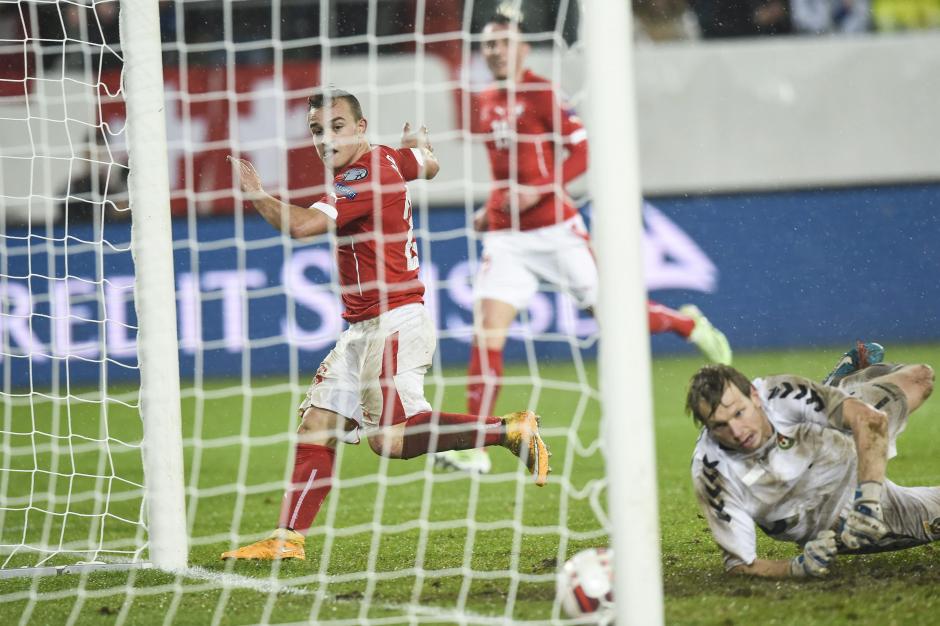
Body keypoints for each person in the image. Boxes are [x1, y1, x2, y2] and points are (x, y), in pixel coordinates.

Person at [220, 89, 551, 561]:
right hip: (361, 329)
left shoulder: (364, 175)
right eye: (317, 130)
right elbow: (427, 163)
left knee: (390, 440)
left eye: (336, 127)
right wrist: (421, 147)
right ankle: (288, 539)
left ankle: (508, 430)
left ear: (360, 126)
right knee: (318, 422)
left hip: (394, 323)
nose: (325, 140)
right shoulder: (391, 158)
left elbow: (301, 227)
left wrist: (256, 193)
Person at [433, 12, 733, 475]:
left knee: (613, 315)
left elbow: (583, 150)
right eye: (488, 45)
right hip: (508, 238)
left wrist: (542, 190)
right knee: (486, 335)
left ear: (523, 48)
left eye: (502, 43)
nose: (494, 51)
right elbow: (507, 173)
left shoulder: (540, 93)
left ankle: (684, 324)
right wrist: (491, 209)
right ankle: (475, 447)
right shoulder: (486, 99)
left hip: (556, 230)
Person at [687, 346, 938, 579]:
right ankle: (832, 392)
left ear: (754, 395)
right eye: (720, 425)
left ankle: (832, 392)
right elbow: (740, 565)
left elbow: (870, 420)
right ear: (707, 428)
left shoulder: (780, 394)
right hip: (833, 517)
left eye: (739, 413)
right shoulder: (711, 472)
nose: (737, 431)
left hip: (842, 443)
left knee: (920, 377)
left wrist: (868, 500)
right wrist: (797, 567)